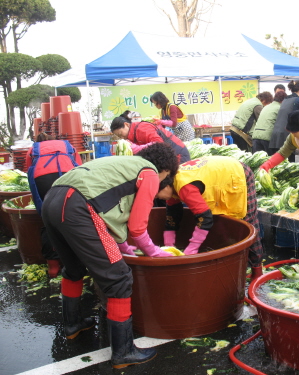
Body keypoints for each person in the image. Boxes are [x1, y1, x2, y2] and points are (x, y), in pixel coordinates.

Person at [41, 143, 179, 369]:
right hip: (77, 206)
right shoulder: (150, 173)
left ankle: (73, 325)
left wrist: (124, 248)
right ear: (166, 170)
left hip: (53, 199)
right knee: (119, 278)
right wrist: (155, 252)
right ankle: (123, 352)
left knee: (74, 268)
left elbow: (109, 214)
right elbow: (136, 227)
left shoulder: (123, 165)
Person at [157, 155, 264, 280]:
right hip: (218, 176)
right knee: (223, 222)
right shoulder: (170, 186)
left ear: (165, 186)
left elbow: (205, 218)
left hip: (237, 173)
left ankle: (257, 272)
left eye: (156, 194)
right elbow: (172, 216)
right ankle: (234, 265)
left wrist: (191, 250)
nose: (156, 198)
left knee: (248, 223)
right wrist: (169, 247)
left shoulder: (185, 187)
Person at [26, 133, 82, 278]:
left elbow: (29, 170)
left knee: (48, 220)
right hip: (69, 176)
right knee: (73, 217)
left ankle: (53, 267)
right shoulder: (68, 146)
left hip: (42, 179)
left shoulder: (33, 149)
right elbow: (80, 167)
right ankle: (79, 261)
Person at [111, 111, 190, 164]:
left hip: (178, 154)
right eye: (119, 136)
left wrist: (137, 148)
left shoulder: (141, 128)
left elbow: (159, 144)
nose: (122, 137)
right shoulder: (132, 135)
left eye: (120, 133)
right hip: (169, 157)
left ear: (126, 125)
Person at [269, 80, 299, 157]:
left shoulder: (285, 100)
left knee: (278, 165)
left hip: (275, 136)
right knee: (289, 165)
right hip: (286, 136)